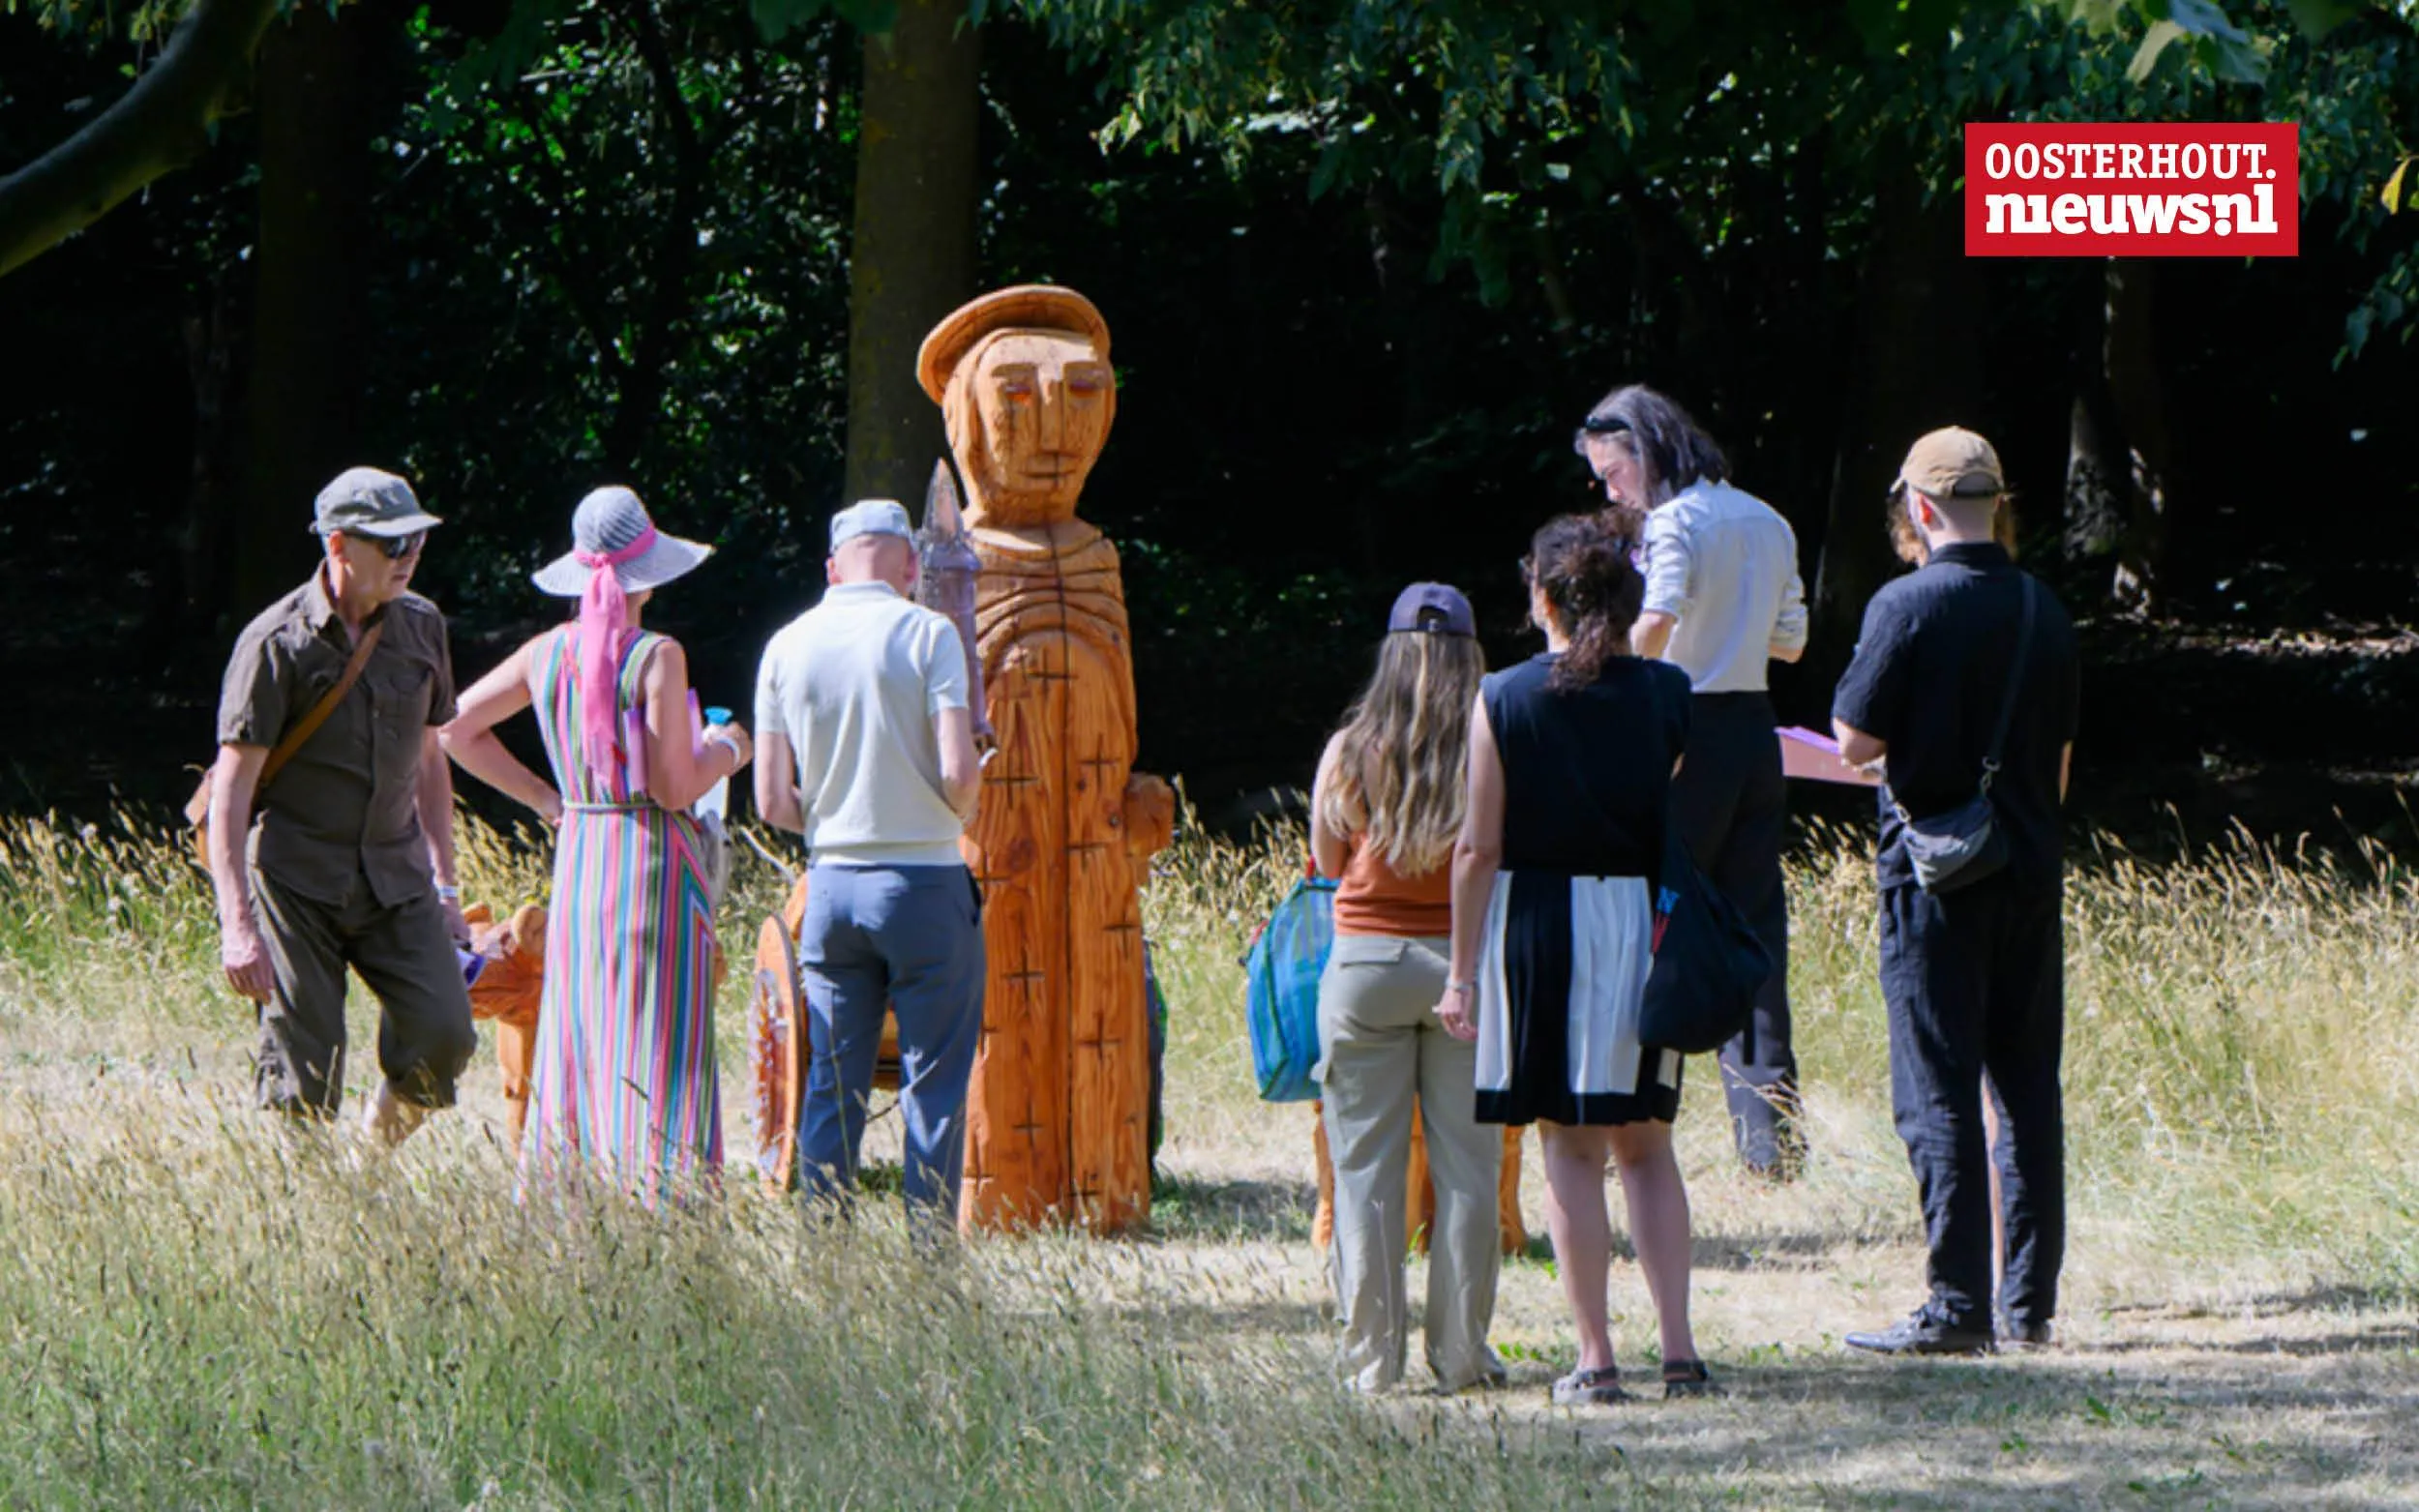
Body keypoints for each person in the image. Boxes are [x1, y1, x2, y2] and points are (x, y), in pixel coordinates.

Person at [1438, 511, 1716, 1405]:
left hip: (1542, 928)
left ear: (1546, 598)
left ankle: (1596, 1357)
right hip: (1640, 924)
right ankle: (1679, 1352)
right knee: (1648, 1147)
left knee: (1568, 1147)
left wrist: (1461, 968)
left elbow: (1478, 847)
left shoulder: (1505, 696)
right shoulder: (1669, 691)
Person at [1832, 429, 2078, 1354]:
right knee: (2025, 1088)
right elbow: (2056, 768)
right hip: (2029, 867)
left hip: (1934, 875)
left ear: (1920, 509)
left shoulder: (1907, 605)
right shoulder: (2044, 610)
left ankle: (1955, 1306)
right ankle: (2027, 1306)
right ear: (1997, 504)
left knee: (1934, 1087)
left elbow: (1854, 741)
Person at [439, 486, 749, 1203]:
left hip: (582, 860)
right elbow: (675, 787)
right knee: (661, 1040)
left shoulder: (545, 653)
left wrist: (550, 799)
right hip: (653, 866)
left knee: (581, 1034)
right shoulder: (657, 656)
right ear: (650, 572)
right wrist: (730, 748)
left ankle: (570, 1203)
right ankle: (666, 1204)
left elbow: (454, 730)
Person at [205, 466, 478, 1145]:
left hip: (396, 874)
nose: (409, 557)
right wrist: (236, 924)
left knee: (445, 1035)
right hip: (298, 880)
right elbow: (232, 795)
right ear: (338, 546)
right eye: (392, 545)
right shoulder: (275, 644)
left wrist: (446, 885)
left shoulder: (422, 628)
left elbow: (430, 759)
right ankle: (314, 1218)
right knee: (307, 1072)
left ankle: (367, 1164)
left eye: (416, 542)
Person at [1577, 383, 1808, 1178]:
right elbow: (1792, 643)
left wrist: (1585, 678)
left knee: (1645, 925)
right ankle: (1771, 1141)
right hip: (1755, 733)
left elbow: (1658, 621)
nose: (1611, 492)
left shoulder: (1675, 523)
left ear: (1647, 452)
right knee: (1752, 935)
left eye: (1613, 474)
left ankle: (1619, 1117)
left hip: (1686, 732)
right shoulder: (1768, 518)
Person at [753, 499, 985, 1224]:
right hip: (924, 882)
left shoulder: (786, 645)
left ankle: (827, 1257)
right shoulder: (930, 633)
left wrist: (826, 822)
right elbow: (956, 770)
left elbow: (768, 798)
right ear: (911, 566)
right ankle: (928, 1265)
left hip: (831, 884)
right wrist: (971, 787)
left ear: (832, 566)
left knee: (832, 1080)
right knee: (934, 1084)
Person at [1310, 581, 1502, 1394]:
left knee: (1365, 1170)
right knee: (1468, 1169)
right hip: (1464, 969)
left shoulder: (1350, 746)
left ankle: (1370, 1361)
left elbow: (1327, 862)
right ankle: (1460, 1356)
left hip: (1365, 968)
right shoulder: (1495, 744)